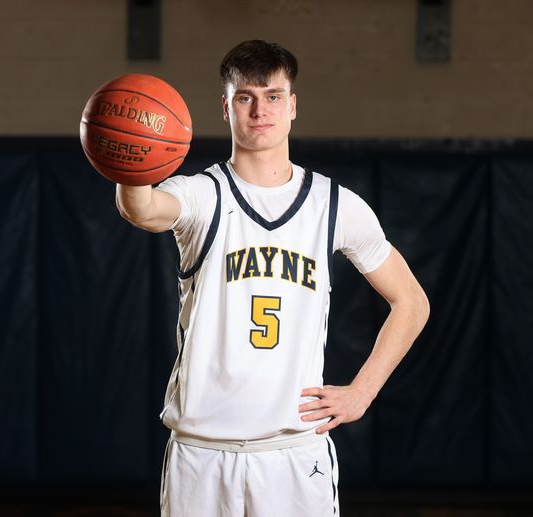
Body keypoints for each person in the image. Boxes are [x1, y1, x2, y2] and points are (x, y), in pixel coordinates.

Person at [116, 40, 429, 517]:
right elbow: (142, 208)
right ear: (226, 108)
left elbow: (412, 302)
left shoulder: (335, 206)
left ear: (293, 106)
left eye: (273, 96)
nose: (260, 109)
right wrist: (128, 160)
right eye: (245, 97)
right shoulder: (203, 196)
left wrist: (362, 392)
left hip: (293, 454)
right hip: (201, 453)